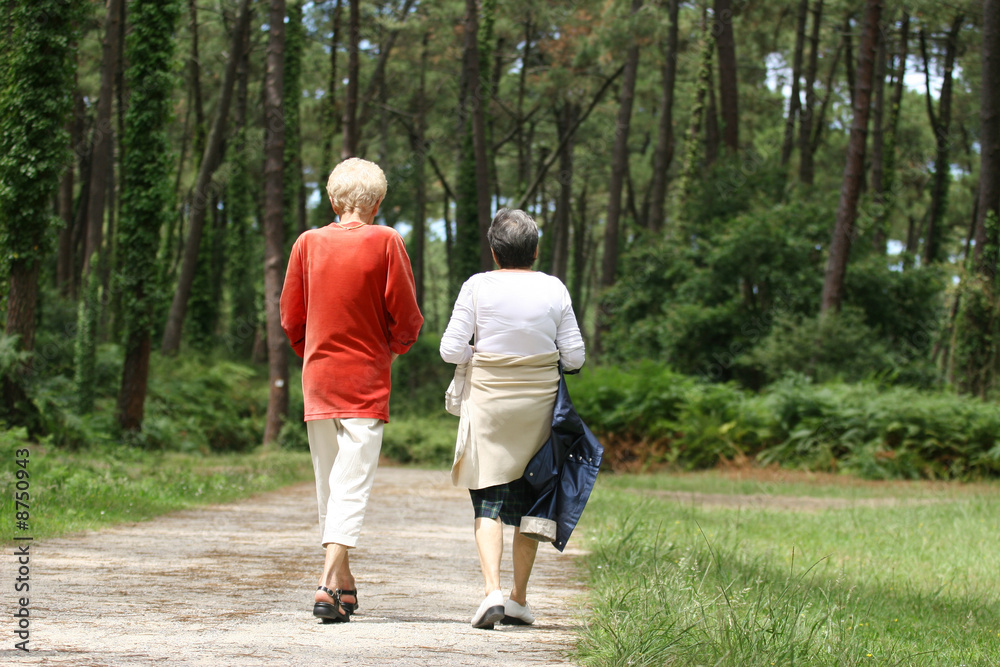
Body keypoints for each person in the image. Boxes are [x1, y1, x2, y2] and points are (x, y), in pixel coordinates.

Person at [281, 157, 423, 623]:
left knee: (330, 485)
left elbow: (291, 316)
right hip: (365, 380)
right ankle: (326, 584)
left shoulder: (307, 243)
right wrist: (394, 348)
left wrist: (312, 351)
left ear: (333, 199)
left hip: (318, 379)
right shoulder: (386, 242)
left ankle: (344, 583)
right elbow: (406, 314)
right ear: (378, 203)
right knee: (352, 485)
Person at [439, 208, 585, 629]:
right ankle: (519, 598)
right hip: (539, 409)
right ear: (536, 250)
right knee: (529, 502)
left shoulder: (477, 286)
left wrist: (480, 359)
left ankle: (492, 594)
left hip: (488, 404)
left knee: (487, 497)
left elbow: (451, 349)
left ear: (493, 251)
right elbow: (574, 356)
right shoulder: (554, 288)